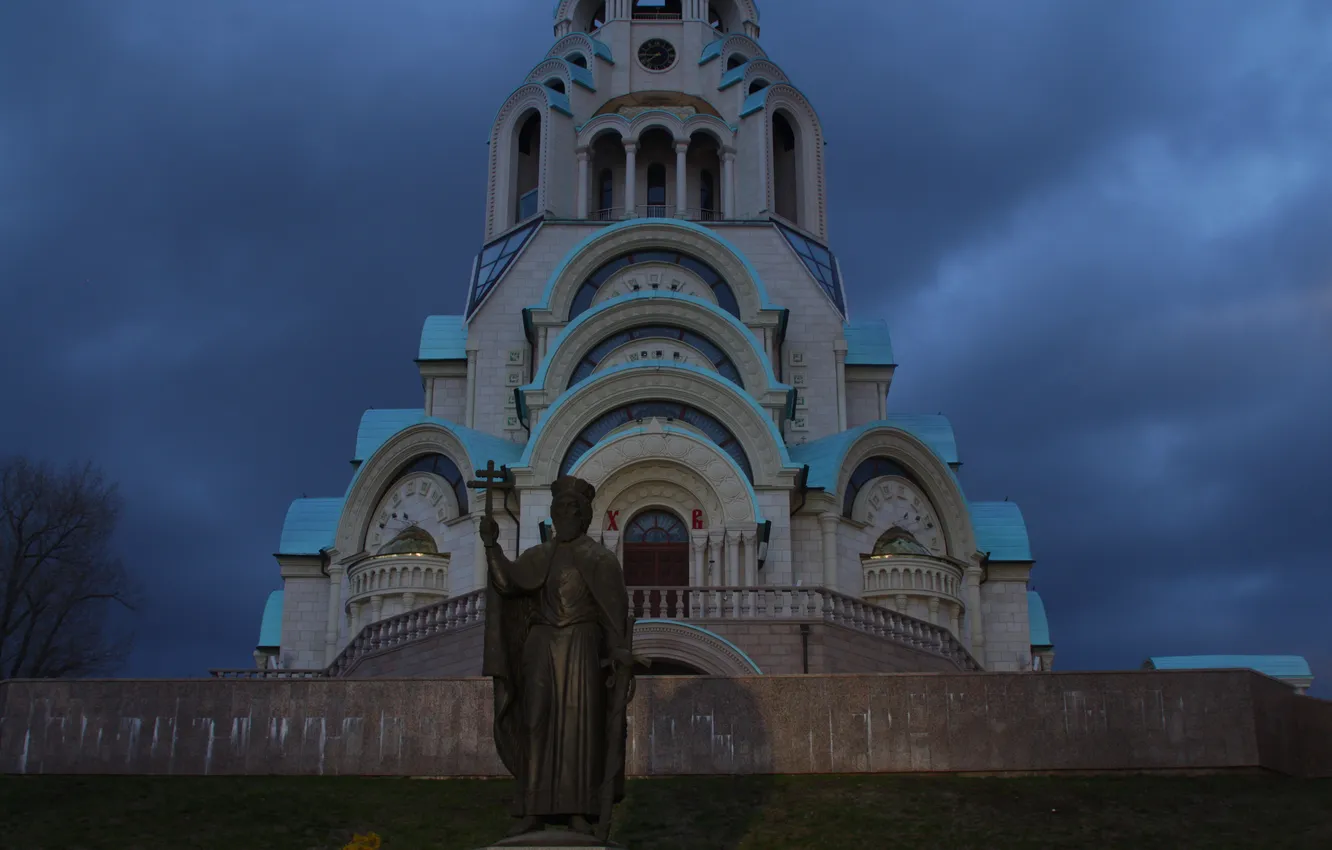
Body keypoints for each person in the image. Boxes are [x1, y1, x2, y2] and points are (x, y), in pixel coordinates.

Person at [480, 475, 632, 838]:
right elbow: (507, 583)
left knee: (580, 729)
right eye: (560, 509)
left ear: (584, 517)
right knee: (535, 723)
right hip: (541, 645)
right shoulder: (538, 556)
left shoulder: (601, 560)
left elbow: (613, 616)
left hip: (582, 646)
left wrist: (619, 656)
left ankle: (579, 810)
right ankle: (531, 808)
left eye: (572, 510)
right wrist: (491, 546)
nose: (565, 515)